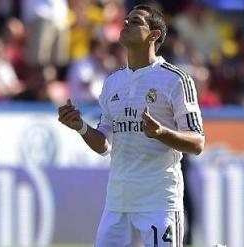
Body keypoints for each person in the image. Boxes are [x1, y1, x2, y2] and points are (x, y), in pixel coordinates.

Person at [58, 4, 205, 247]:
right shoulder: (113, 82)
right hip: (118, 201)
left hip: (159, 201)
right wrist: (81, 127)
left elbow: (198, 143)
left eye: (135, 21)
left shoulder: (176, 80)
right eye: (125, 20)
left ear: (154, 35)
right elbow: (105, 145)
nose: (125, 24)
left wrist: (161, 133)